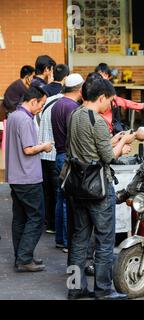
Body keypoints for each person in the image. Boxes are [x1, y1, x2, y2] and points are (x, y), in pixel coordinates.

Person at [67, 78, 134, 300]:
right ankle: (103, 290)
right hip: (98, 188)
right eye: (110, 101)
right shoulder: (96, 120)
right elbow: (107, 156)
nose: (110, 106)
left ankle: (75, 288)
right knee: (105, 242)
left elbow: (90, 147)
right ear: (102, 97)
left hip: (77, 185)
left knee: (78, 240)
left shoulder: (74, 115)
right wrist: (123, 144)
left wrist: (112, 140)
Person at [6, 86, 53, 272]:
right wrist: (44, 146)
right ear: (33, 101)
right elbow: (28, 149)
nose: (41, 108)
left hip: (16, 176)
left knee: (20, 218)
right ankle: (24, 258)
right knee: (36, 217)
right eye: (41, 104)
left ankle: (21, 256)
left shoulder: (12, 116)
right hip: (28, 177)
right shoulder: (25, 120)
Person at [51, 73, 85, 253]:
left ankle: (59, 238)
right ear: (80, 89)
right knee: (68, 202)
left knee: (61, 198)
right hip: (68, 156)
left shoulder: (58, 104)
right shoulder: (73, 107)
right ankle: (66, 241)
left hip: (59, 154)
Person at [95, 64, 144, 133]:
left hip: (111, 128)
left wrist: (139, 105)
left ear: (108, 77)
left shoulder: (110, 93)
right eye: (100, 74)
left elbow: (121, 101)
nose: (103, 77)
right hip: (100, 128)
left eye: (105, 75)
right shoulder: (93, 92)